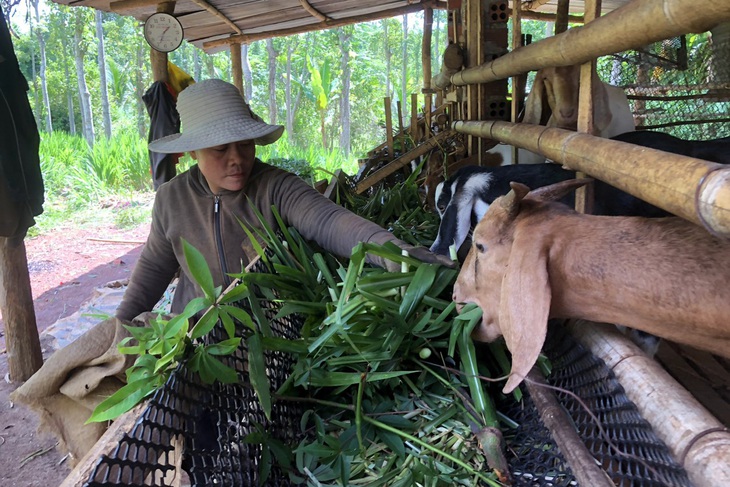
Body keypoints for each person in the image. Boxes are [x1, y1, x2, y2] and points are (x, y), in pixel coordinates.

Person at [116, 78, 452, 321]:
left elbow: (329, 221)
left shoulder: (273, 186)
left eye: (245, 144)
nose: (237, 158)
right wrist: (121, 324)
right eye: (220, 149)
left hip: (268, 327)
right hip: (195, 330)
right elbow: (154, 268)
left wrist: (395, 253)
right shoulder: (171, 199)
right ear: (191, 150)